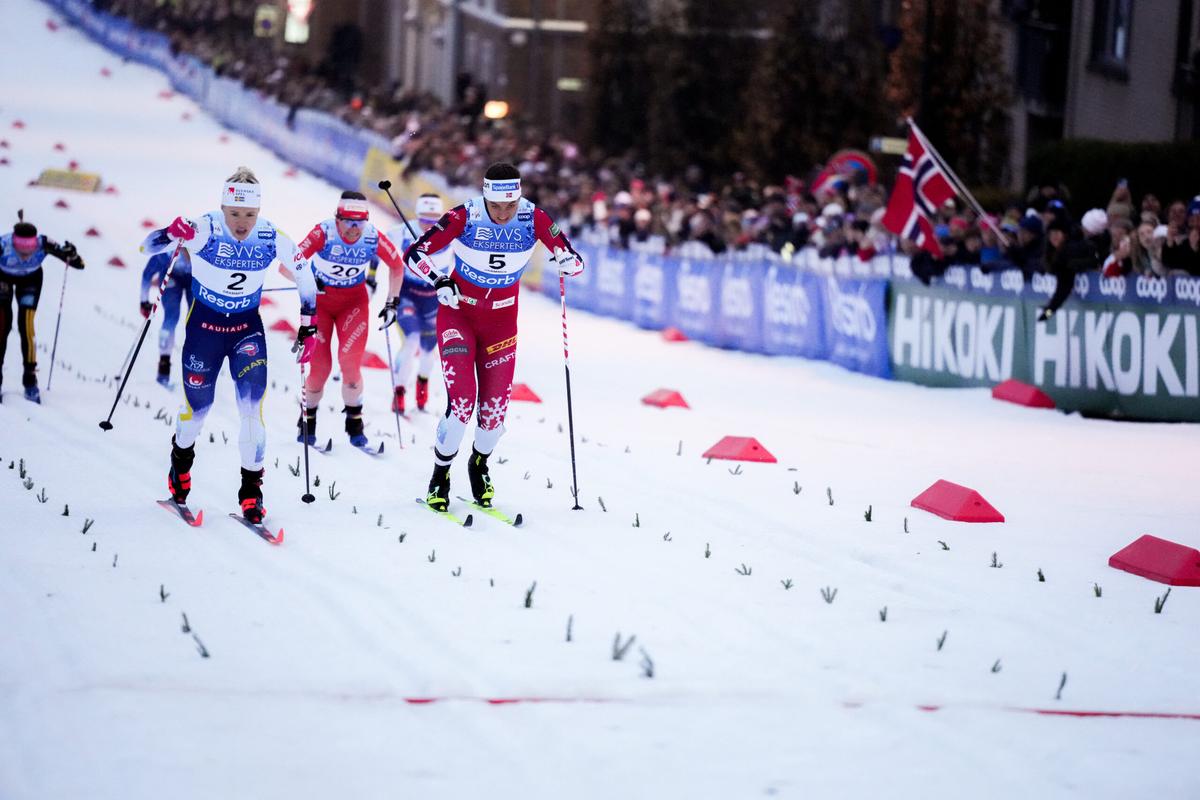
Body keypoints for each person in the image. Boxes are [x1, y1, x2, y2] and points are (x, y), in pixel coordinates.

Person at [393, 162, 584, 512]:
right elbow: (415, 254)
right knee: (462, 403)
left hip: (501, 323)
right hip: (459, 315)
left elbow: (573, 258)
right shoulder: (464, 215)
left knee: (494, 412)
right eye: (496, 206)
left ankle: (479, 464)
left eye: (510, 205)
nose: (503, 213)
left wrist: (569, 263)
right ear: (484, 196)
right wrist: (439, 280)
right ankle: (440, 474)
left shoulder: (534, 217)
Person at [140, 167, 318, 523]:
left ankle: (251, 494)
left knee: (252, 412)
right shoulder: (204, 227)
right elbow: (148, 247)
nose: (242, 223)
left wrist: (308, 327)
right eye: (234, 213)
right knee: (197, 411)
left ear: (258, 211)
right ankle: (180, 469)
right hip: (204, 330)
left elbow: (304, 275)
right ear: (223, 208)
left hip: (245, 332)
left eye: (249, 214)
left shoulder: (269, 235)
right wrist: (171, 233)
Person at [288, 190, 405, 448]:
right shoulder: (323, 233)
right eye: (349, 222)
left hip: (353, 305)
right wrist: (308, 280)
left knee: (350, 366)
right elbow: (287, 266)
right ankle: (307, 421)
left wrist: (392, 302)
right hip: (319, 305)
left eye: (360, 223)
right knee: (320, 370)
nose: (354, 229)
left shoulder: (372, 236)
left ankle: (355, 425)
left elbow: (397, 266)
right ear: (337, 219)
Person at [0, 212, 85, 403]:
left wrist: (71, 254)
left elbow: (79, 264)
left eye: (29, 248)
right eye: (21, 248)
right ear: (13, 241)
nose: (25, 254)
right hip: (3, 278)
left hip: (30, 280)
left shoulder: (43, 243)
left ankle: (30, 379)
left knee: (26, 326)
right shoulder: (3, 244)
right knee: (2, 325)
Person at [379, 192, 447, 415]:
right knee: (411, 341)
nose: (429, 225)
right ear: (417, 215)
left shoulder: (449, 234)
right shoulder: (401, 231)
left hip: (433, 299)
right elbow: (377, 250)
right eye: (424, 219)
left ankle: (422, 387)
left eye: (434, 220)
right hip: (407, 294)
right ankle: (399, 392)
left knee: (428, 351)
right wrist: (370, 278)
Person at [139, 248, 193, 386]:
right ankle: (164, 363)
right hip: (171, 276)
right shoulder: (169, 249)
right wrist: (144, 301)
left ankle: (196, 362)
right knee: (171, 316)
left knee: (194, 318)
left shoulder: (204, 244)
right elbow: (148, 273)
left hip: (194, 278)